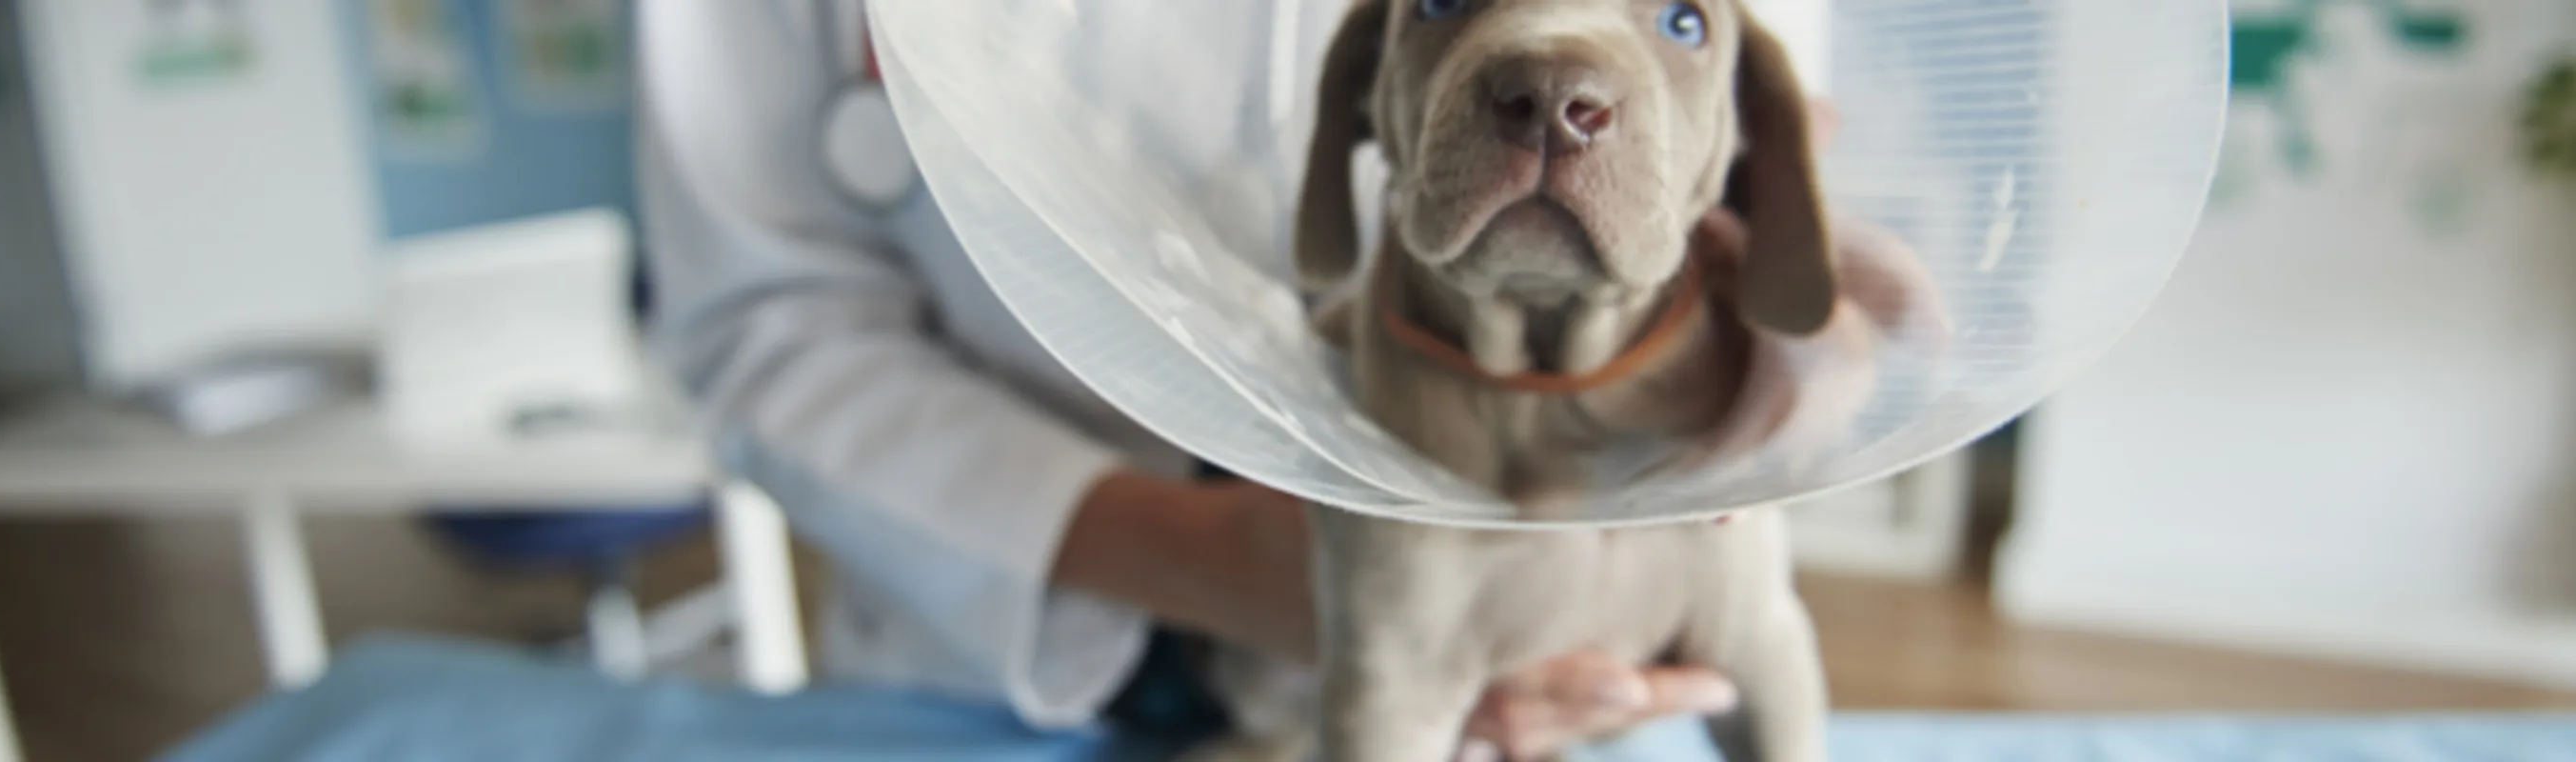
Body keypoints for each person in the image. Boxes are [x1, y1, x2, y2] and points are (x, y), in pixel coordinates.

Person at [635, 3, 1839, 759]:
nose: (1546, 78)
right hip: (983, 659)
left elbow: (1746, 124)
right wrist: (1225, 563)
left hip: (1535, 681)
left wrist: (1810, 275)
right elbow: (760, 322)